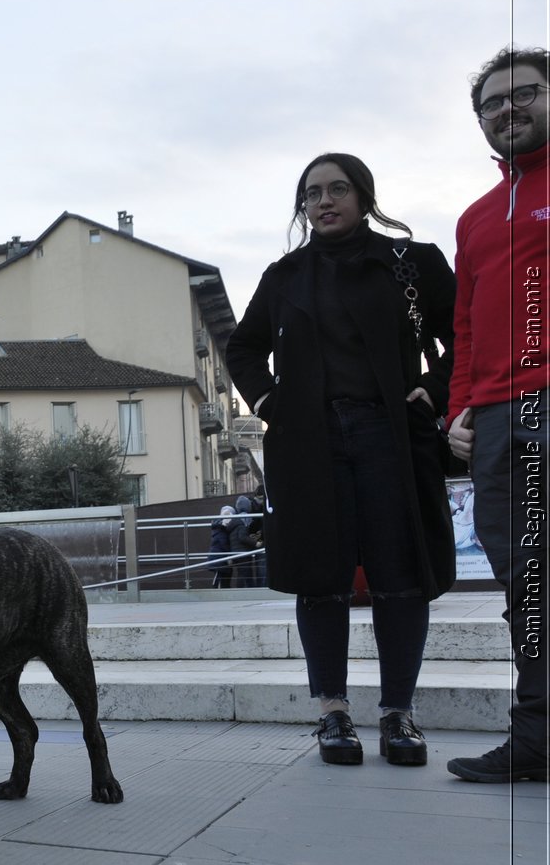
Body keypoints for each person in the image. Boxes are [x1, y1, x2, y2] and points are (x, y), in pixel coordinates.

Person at [227, 153, 456, 768]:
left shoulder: (413, 263)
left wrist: (434, 392)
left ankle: (397, 715)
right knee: (319, 578)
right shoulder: (285, 276)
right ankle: (332, 713)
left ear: (364, 195)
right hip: (309, 441)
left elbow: (467, 334)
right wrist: (272, 398)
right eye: (311, 194)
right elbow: (243, 346)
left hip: (394, 436)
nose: (323, 202)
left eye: (337, 189)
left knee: (400, 576)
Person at [445, 47, 550, 784]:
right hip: (493, 416)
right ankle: (536, 739)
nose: (507, 109)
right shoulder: (476, 217)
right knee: (525, 583)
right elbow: (467, 327)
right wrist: (459, 409)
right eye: (492, 103)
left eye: (524, 95)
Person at [209, 505, 238, 588]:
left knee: (224, 576)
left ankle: (222, 590)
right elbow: (223, 543)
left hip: (220, 556)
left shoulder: (219, 528)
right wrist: (229, 556)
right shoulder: (221, 529)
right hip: (220, 557)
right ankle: (215, 591)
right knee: (220, 576)